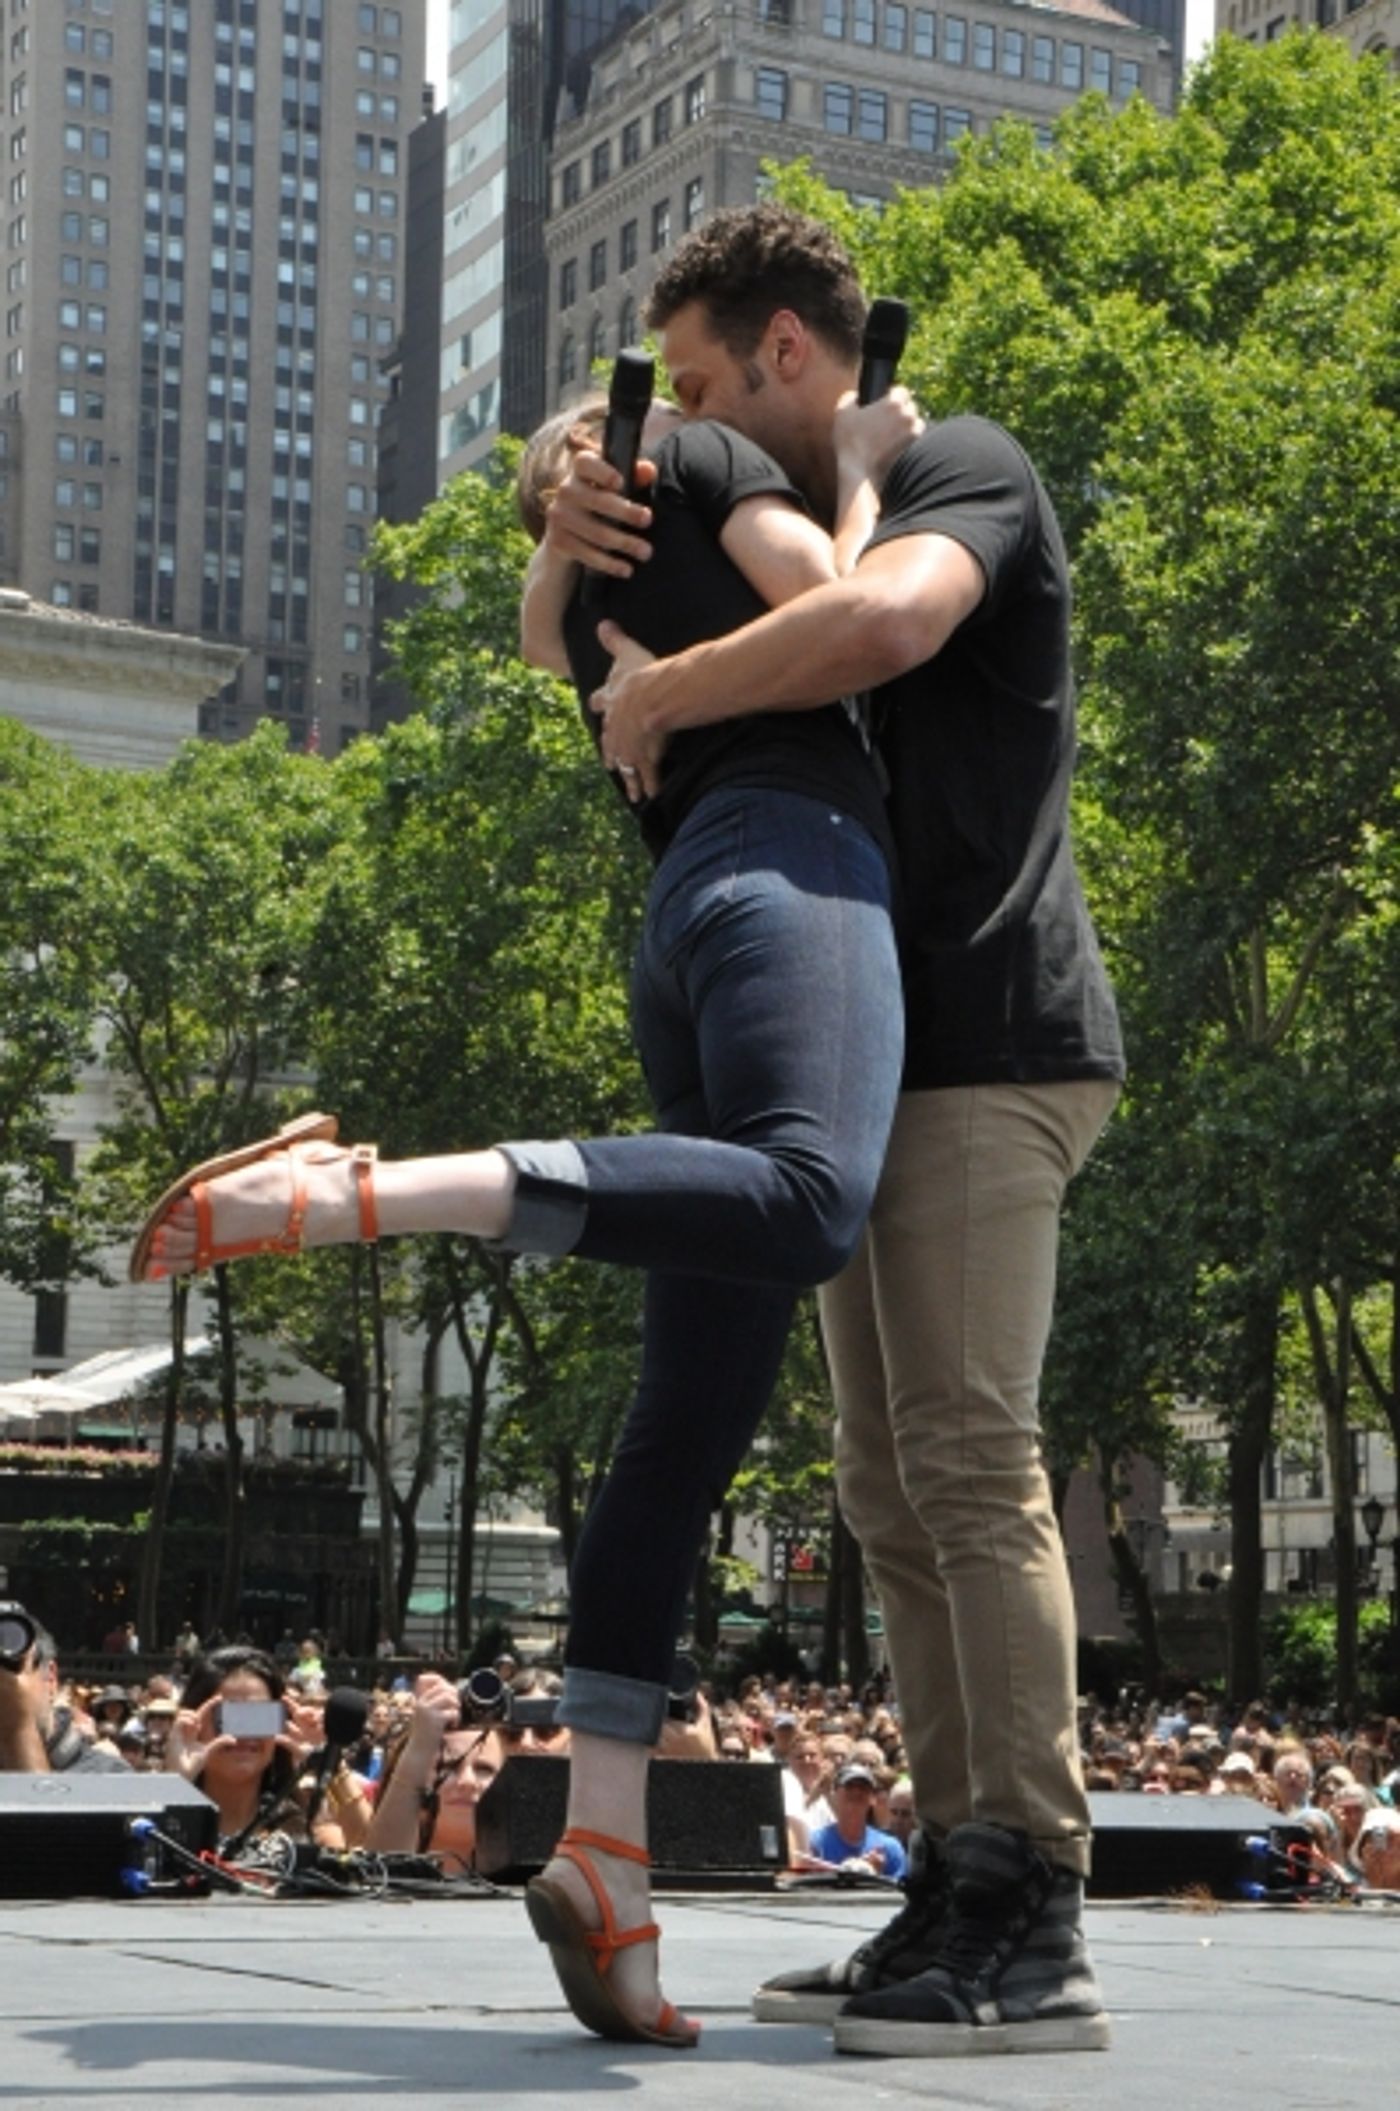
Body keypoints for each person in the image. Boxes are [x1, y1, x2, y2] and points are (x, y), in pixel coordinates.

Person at [127, 373, 912, 2049]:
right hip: (796, 863)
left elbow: (551, 639)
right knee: (808, 1194)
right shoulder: (701, 459)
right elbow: (847, 612)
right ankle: (361, 1191)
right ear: (653, 434)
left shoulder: (572, 577)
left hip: (687, 915)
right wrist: (850, 475)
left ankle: (610, 1862)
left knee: (685, 1421)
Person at [554, 203, 1124, 2057]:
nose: (689, 424)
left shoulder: (961, 465)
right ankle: (951, 1877)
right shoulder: (789, 504)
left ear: (795, 355)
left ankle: (1029, 1906)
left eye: (708, 385)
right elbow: (622, 591)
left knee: (965, 1458)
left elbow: (875, 628)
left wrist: (664, 690)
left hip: (990, 1040)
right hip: (883, 1064)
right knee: (885, 1489)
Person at [166, 1645, 369, 1856]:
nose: (244, 1735)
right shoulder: (163, 1825)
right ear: (193, 1721)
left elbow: (373, 1845)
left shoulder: (308, 1827)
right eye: (228, 1717)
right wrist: (176, 1781)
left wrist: (330, 1762)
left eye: (258, 1718)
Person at [0, 1616, 128, 1775]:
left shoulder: (109, 1776)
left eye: (10, 1672)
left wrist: (18, 1729)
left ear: (50, 1679)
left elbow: (40, 1797)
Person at [807, 1763, 908, 1880]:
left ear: (872, 1798)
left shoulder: (890, 1848)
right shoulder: (816, 1844)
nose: (856, 1792)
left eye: (863, 1787)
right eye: (849, 1786)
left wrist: (877, 1876)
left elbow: (899, 1894)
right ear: (834, 1794)